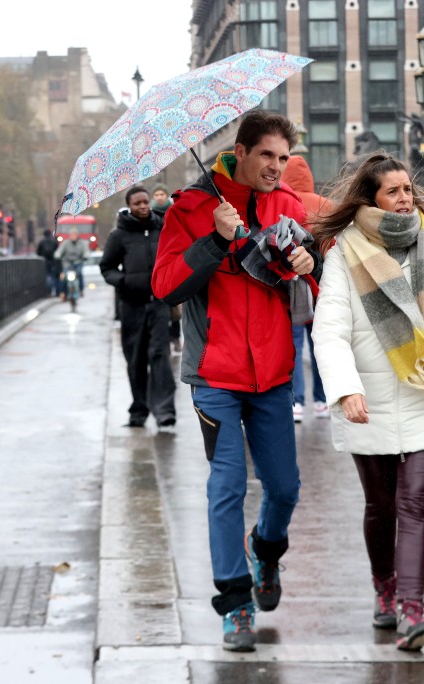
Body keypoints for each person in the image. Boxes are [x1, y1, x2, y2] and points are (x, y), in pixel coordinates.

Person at [151, 111, 318, 653]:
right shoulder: (191, 207)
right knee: (225, 487)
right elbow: (164, 288)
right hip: (214, 377)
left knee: (285, 488)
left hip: (273, 374)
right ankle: (235, 604)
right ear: (240, 152)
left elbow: (317, 270)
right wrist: (215, 243)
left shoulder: (288, 207)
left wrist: (306, 257)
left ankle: (265, 550)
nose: (276, 166)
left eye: (283, 157)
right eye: (266, 155)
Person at [311, 152, 424, 651]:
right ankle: (384, 590)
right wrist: (345, 388)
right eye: (393, 192)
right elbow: (330, 331)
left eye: (408, 189)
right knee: (381, 506)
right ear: (372, 199)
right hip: (371, 399)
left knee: (414, 503)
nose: (405, 199)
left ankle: (412, 610)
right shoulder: (345, 252)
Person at [100, 185, 177, 429]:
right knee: (135, 359)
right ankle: (139, 410)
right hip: (131, 306)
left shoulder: (163, 227)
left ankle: (164, 410)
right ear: (129, 206)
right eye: (137, 203)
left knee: (160, 356)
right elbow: (107, 267)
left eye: (146, 202)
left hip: (159, 304)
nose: (143, 206)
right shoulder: (118, 236)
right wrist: (122, 282)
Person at [280, 154, 329, 422]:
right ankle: (322, 400)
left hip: (291, 286)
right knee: (321, 343)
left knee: (295, 346)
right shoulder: (326, 205)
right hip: (322, 285)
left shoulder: (281, 203)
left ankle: (296, 401)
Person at [150, 183, 182, 352]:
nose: (159, 197)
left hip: (174, 260)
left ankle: (175, 336)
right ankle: (164, 339)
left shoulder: (175, 210)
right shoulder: (149, 215)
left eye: (162, 193)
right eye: (156, 194)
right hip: (159, 260)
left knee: (175, 310)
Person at [54, 226, 89, 298]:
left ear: (77, 235)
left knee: (79, 274)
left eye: (75, 235)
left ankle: (81, 290)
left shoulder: (82, 243)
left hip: (78, 262)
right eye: (72, 235)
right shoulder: (65, 243)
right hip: (67, 263)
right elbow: (59, 251)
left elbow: (86, 251)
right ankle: (63, 293)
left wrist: (85, 256)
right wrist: (57, 255)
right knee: (64, 277)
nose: (73, 237)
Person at [36, 231, 60, 297]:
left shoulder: (42, 242)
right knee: (55, 277)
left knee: (48, 277)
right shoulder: (54, 242)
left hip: (46, 262)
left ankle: (49, 292)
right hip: (54, 262)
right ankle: (57, 292)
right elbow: (58, 252)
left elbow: (38, 252)